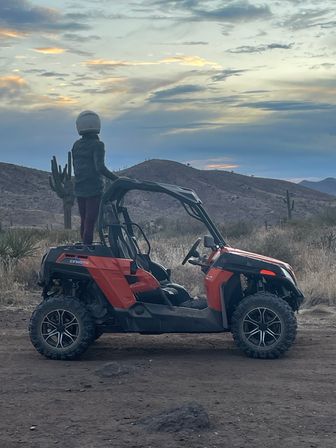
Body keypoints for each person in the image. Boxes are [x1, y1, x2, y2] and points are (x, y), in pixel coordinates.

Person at [71, 110, 118, 245]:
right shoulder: (98, 145)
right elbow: (100, 167)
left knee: (84, 220)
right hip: (94, 189)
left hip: (79, 187)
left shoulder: (76, 145)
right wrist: (117, 179)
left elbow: (75, 166)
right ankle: (88, 249)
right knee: (90, 221)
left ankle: (85, 246)